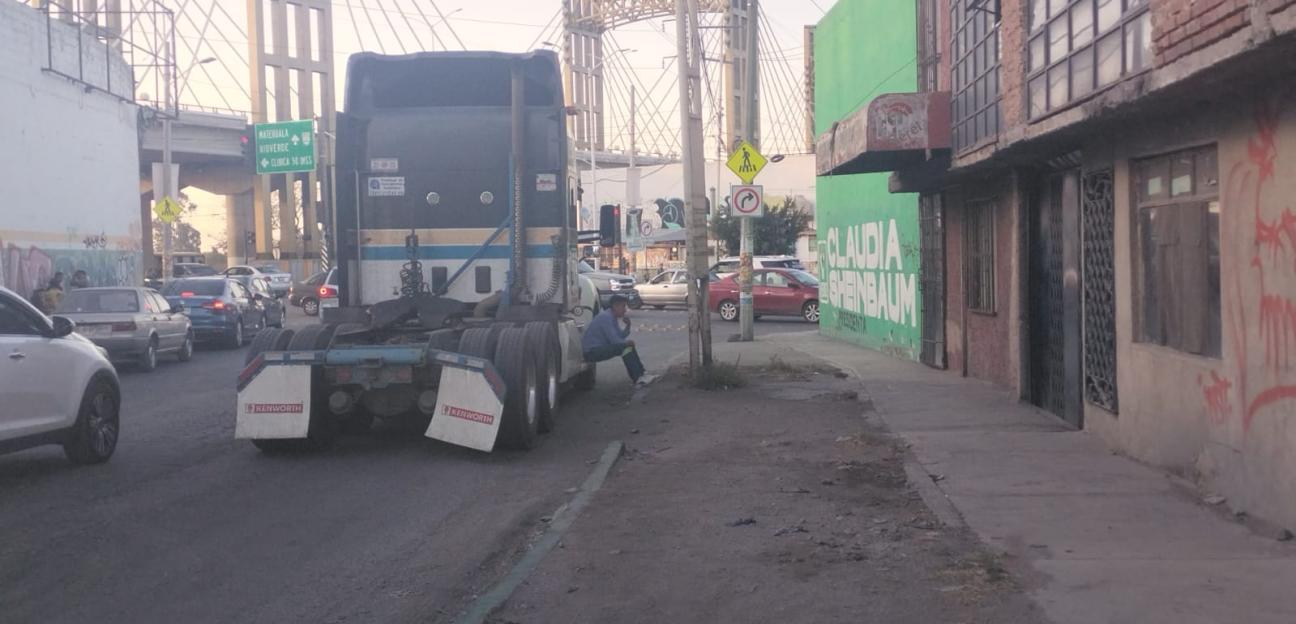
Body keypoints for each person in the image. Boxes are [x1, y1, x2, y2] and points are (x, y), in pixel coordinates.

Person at [582, 294, 659, 386]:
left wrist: (628, 326)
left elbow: (620, 336)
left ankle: (642, 374)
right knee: (626, 348)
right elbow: (615, 340)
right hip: (592, 351)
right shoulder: (606, 318)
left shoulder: (611, 317)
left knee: (628, 347)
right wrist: (627, 343)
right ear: (615, 306)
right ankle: (638, 378)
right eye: (623, 306)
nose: (625, 310)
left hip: (598, 348)